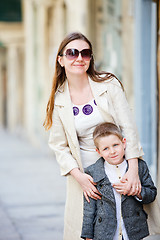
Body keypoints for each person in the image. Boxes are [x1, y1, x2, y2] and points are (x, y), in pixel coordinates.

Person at [43, 32, 144, 240]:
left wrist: (133, 169)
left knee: (123, 229)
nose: (79, 58)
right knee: (89, 232)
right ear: (60, 60)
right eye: (72, 53)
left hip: (119, 170)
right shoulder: (59, 99)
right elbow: (59, 146)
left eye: (85, 53)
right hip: (85, 177)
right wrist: (80, 178)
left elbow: (129, 128)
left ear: (90, 58)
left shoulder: (109, 85)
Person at [81, 122, 157, 240]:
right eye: (106, 148)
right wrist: (88, 236)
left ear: (124, 143)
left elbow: (151, 194)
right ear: (99, 152)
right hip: (104, 232)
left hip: (134, 230)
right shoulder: (92, 172)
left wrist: (136, 191)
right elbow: (89, 209)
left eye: (115, 145)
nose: (112, 151)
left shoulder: (139, 167)